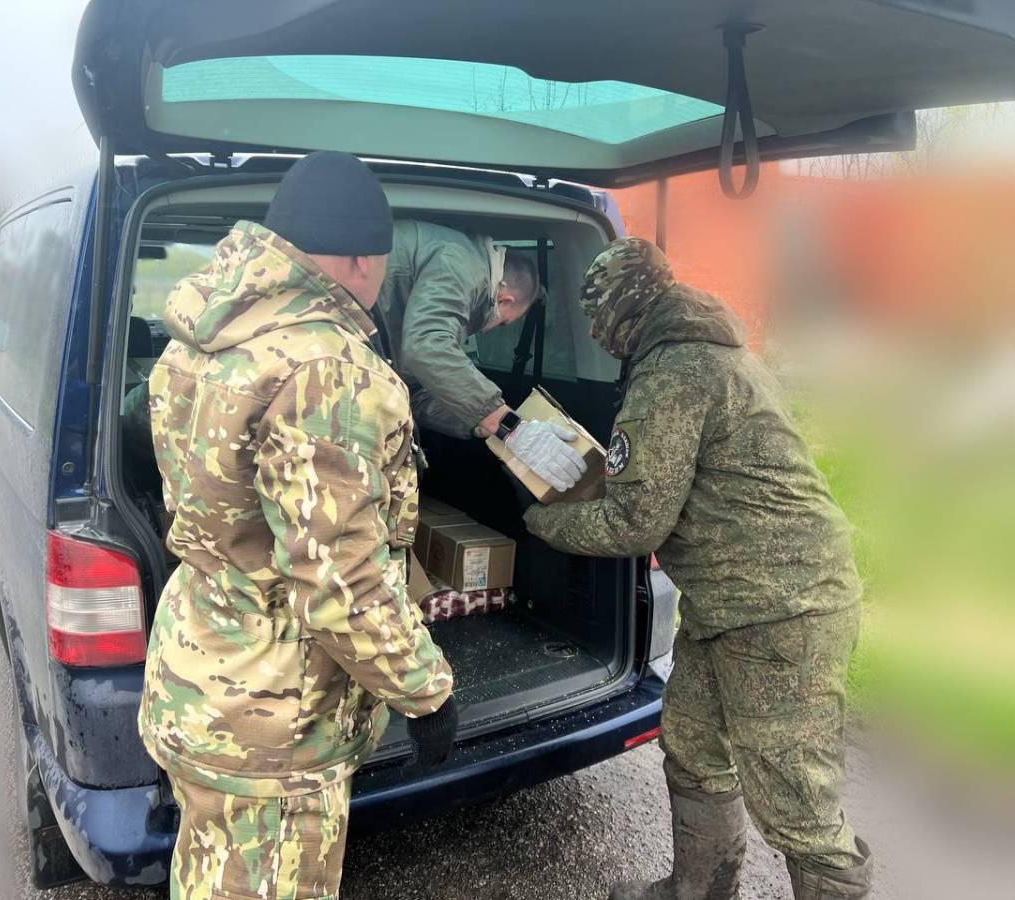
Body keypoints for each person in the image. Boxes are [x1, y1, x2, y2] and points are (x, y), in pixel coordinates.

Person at [138, 151, 457, 900]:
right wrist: (426, 692)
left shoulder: (205, 330)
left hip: (199, 671)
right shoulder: (328, 369)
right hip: (276, 717)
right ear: (361, 259)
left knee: (210, 873)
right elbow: (338, 579)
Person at [517, 238, 872, 900]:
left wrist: (539, 522)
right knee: (693, 749)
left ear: (622, 307)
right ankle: (699, 892)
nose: (593, 332)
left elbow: (635, 523)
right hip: (730, 601)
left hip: (781, 608)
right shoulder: (707, 353)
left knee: (797, 803)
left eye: (595, 315)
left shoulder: (675, 371)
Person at [374, 219, 586, 493]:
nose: (491, 330)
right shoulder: (463, 265)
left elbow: (414, 391)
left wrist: (478, 422)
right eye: (504, 322)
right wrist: (505, 422)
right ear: (505, 299)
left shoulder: (452, 280)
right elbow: (425, 346)